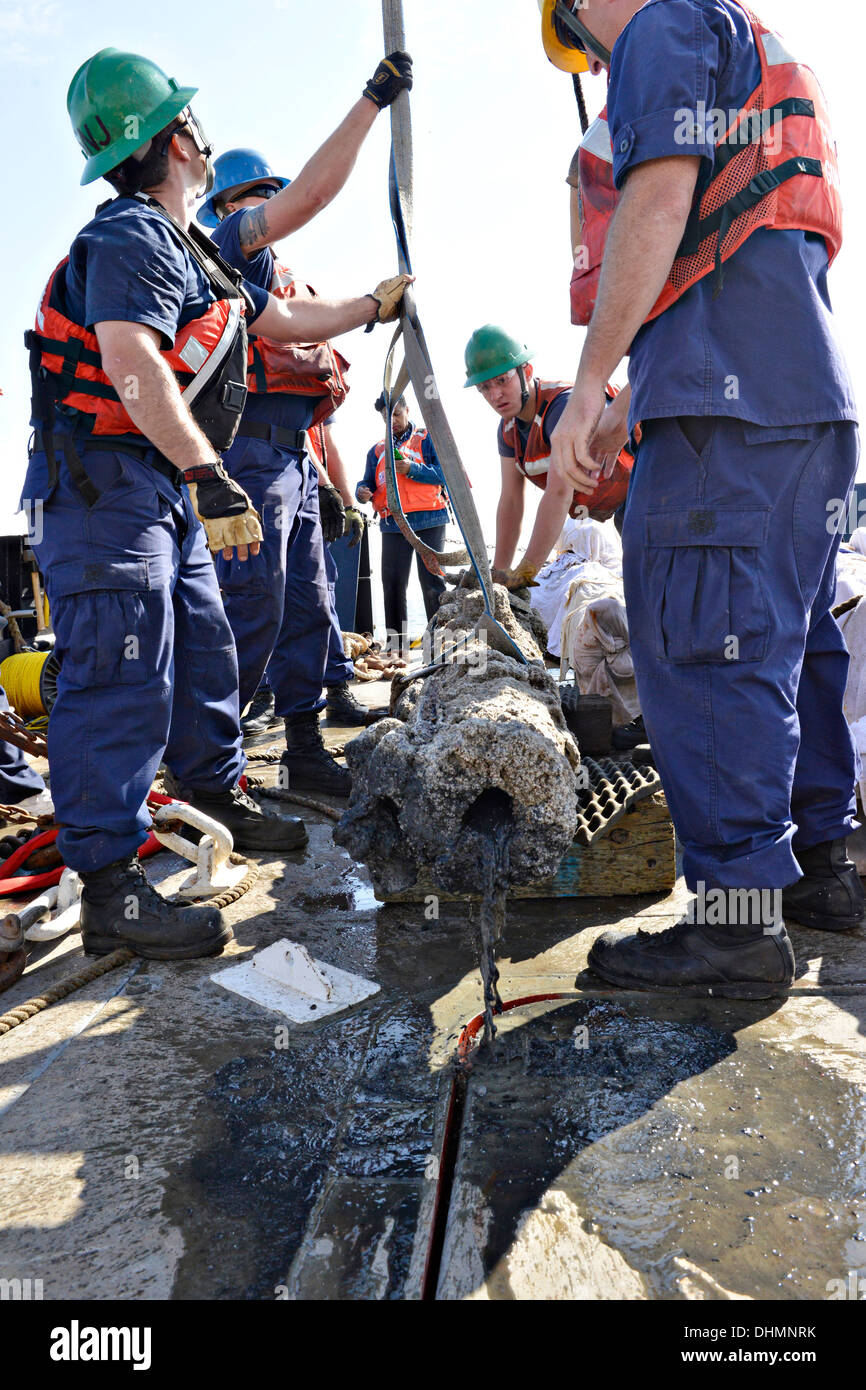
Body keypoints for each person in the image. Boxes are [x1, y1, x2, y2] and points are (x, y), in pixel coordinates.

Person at [22, 48, 409, 960]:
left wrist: (369, 307)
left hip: (152, 485)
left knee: (204, 645)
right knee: (119, 673)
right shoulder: (128, 238)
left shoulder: (199, 249)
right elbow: (130, 359)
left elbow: (281, 312)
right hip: (105, 490)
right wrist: (206, 471)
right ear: (178, 138)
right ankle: (113, 888)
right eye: (191, 119)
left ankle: (216, 790)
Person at [541, 0, 861, 998]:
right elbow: (738, 251)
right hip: (801, 407)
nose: (597, 63)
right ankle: (818, 871)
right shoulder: (751, 46)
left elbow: (659, 197)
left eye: (583, 44)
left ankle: (733, 928)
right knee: (794, 638)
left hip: (723, 424)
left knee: (707, 651)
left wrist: (587, 383)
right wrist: (631, 399)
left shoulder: (661, 28)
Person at [201, 57, 412, 788]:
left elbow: (297, 332)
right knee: (250, 610)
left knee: (306, 606)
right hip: (250, 461)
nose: (268, 209)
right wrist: (372, 102)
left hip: (290, 460)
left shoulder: (273, 285)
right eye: (256, 199)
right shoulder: (227, 253)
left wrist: (367, 309)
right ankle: (211, 770)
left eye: (266, 197)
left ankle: (302, 750)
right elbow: (314, 193)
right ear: (223, 207)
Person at [463, 325, 632, 589]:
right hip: (615, 504)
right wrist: (499, 575)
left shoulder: (562, 407)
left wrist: (526, 572)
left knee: (653, 575)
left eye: (502, 380)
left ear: (526, 371)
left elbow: (558, 494)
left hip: (646, 484)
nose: (495, 394)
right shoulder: (509, 430)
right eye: (484, 387)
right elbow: (510, 500)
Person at [356, 396, 449, 654]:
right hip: (392, 523)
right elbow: (366, 483)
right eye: (387, 417)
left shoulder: (427, 438)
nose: (392, 421)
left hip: (430, 519)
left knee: (431, 583)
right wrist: (361, 492)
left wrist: (412, 469)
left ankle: (439, 645)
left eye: (397, 414)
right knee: (393, 584)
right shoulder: (376, 450)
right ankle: (396, 648)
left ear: (408, 411)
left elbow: (445, 473)